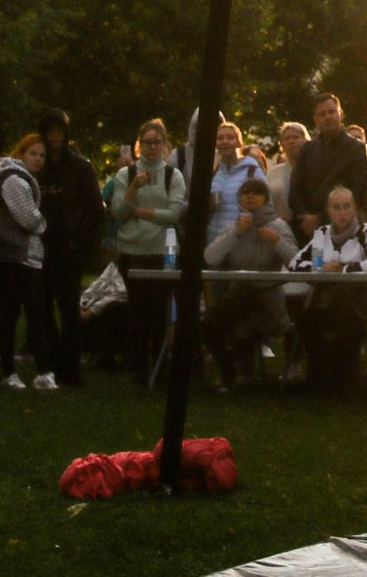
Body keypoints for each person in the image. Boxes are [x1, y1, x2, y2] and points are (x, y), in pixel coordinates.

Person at [29, 108, 104, 389]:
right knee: (42, 310)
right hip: (40, 247)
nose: (54, 136)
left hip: (68, 249)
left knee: (69, 310)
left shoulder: (81, 167)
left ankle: (70, 368)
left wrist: (79, 243)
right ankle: (51, 363)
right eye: (50, 130)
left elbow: (96, 209)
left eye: (59, 130)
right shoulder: (38, 165)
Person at [108, 118, 187, 377]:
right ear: (139, 145)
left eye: (157, 142)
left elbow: (174, 213)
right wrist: (133, 189)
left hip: (160, 252)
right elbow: (118, 213)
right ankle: (140, 363)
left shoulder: (172, 175)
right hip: (132, 251)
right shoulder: (126, 174)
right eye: (147, 142)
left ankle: (160, 363)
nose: (153, 147)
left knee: (159, 311)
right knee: (137, 310)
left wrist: (141, 211)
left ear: (165, 145)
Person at [289, 185, 367, 393]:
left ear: (355, 208)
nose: (342, 212)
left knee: (347, 317)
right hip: (325, 300)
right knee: (306, 318)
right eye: (336, 207)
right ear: (329, 211)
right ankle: (319, 375)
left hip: (360, 302)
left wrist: (344, 270)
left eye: (346, 207)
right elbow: (295, 263)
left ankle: (346, 377)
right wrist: (321, 269)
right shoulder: (321, 233)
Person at [204, 179, 293, 390]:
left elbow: (296, 261)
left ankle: (237, 370)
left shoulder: (279, 226)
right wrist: (235, 234)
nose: (250, 196)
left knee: (239, 300)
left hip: (267, 302)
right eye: (245, 193)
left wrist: (277, 241)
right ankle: (229, 368)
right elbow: (210, 257)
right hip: (237, 302)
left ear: (266, 198)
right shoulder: (233, 227)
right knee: (209, 326)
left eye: (256, 192)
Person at [0, 135, 54, 388]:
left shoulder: (26, 178)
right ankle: (9, 372)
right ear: (22, 153)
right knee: (10, 313)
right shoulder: (14, 179)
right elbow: (29, 218)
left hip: (25, 256)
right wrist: (46, 225)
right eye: (33, 153)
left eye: (42, 155)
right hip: (10, 256)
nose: (38, 159)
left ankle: (42, 370)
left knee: (35, 313)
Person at [291, 94, 367, 242]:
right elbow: (295, 189)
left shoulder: (356, 148)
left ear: (340, 114)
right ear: (316, 119)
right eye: (322, 114)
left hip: (342, 228)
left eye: (332, 112)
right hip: (306, 230)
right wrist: (305, 219)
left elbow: (357, 190)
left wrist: (320, 218)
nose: (327, 117)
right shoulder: (307, 149)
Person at [209, 120, 267, 241]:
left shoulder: (252, 170)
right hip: (213, 240)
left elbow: (267, 206)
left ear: (239, 142)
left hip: (241, 241)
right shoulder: (214, 172)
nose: (225, 141)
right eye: (220, 138)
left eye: (230, 137)